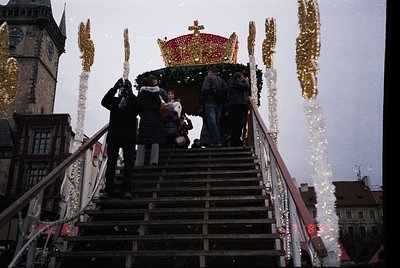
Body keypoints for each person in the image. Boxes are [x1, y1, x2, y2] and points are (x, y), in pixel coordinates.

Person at [100, 78, 140, 199]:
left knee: (128, 164)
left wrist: (131, 93)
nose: (123, 91)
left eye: (124, 89)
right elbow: (104, 101)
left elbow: (139, 108)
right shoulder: (114, 101)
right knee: (111, 163)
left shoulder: (132, 102)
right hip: (115, 135)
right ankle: (108, 189)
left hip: (128, 136)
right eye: (121, 89)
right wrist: (114, 88)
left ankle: (126, 189)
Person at [135, 77, 165, 166]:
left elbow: (137, 107)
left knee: (142, 141)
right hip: (156, 118)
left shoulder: (141, 95)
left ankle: (139, 162)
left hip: (145, 119)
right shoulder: (157, 94)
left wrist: (142, 114)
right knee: (155, 140)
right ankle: (154, 161)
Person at [201, 66, 227, 147]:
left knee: (212, 122)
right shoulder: (221, 80)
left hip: (210, 101)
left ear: (210, 72)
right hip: (219, 103)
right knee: (217, 121)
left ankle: (216, 141)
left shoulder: (208, 79)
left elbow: (205, 89)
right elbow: (226, 89)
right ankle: (219, 140)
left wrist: (204, 99)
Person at [226, 72, 250, 146]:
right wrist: (246, 81)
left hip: (238, 106)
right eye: (242, 77)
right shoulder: (234, 83)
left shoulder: (234, 83)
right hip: (237, 106)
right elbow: (246, 87)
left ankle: (236, 141)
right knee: (237, 125)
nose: (243, 78)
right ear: (238, 77)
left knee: (238, 125)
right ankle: (235, 143)